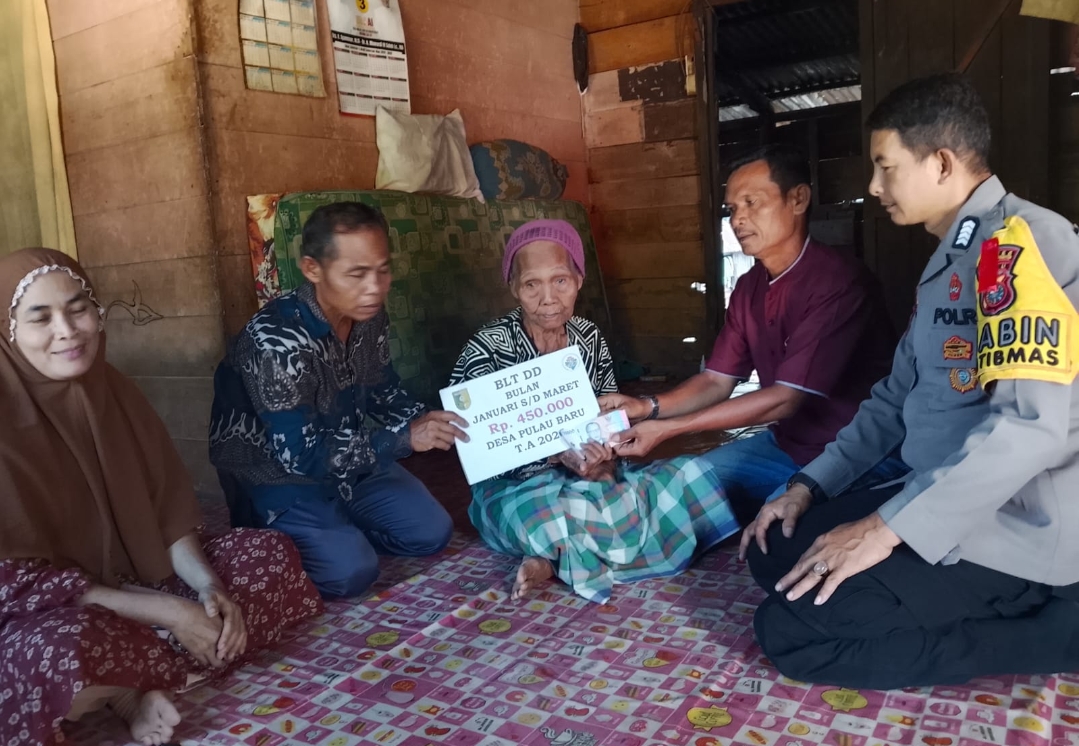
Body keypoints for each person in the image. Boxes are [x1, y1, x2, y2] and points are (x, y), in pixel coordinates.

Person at [741, 73, 1079, 689]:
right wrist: (809, 485)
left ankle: (1050, 631)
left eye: (885, 166)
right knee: (775, 547)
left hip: (1008, 525)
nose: (873, 186)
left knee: (788, 633)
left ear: (941, 163)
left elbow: (1031, 429)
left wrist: (884, 529)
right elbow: (893, 401)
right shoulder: (951, 259)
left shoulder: (1019, 246)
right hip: (935, 495)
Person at [0, 249, 322, 746]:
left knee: (268, 555)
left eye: (78, 309)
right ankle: (128, 687)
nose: (67, 331)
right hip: (47, 610)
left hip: (140, 584)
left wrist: (208, 591)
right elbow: (20, 588)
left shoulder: (116, 393)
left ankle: (132, 676)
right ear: (8, 331)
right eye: (40, 318)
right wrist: (170, 613)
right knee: (56, 652)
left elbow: (169, 516)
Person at [603, 145, 902, 520]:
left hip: (857, 454)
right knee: (676, 491)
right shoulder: (749, 287)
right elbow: (716, 380)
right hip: (787, 446)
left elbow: (784, 400)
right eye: (731, 209)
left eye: (752, 203)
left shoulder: (837, 281)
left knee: (773, 531)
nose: (738, 219)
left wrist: (668, 428)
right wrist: (647, 407)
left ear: (798, 199)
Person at [448, 220, 737, 603]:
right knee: (544, 513)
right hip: (517, 488)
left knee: (691, 474)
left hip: (589, 476)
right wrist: (553, 455)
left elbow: (605, 416)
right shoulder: (487, 349)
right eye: (532, 284)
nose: (548, 298)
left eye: (560, 281)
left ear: (579, 280)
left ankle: (558, 558)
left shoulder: (588, 337)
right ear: (514, 287)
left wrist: (604, 458)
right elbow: (477, 451)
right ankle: (576, 550)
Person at [209, 202, 468, 600]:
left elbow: (381, 390)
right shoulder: (277, 341)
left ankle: (336, 529)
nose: (375, 288)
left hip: (349, 460)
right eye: (356, 274)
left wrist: (439, 420)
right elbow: (300, 455)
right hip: (280, 476)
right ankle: (280, 533)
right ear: (312, 269)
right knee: (350, 573)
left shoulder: (369, 317)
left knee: (430, 532)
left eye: (383, 270)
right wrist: (402, 439)